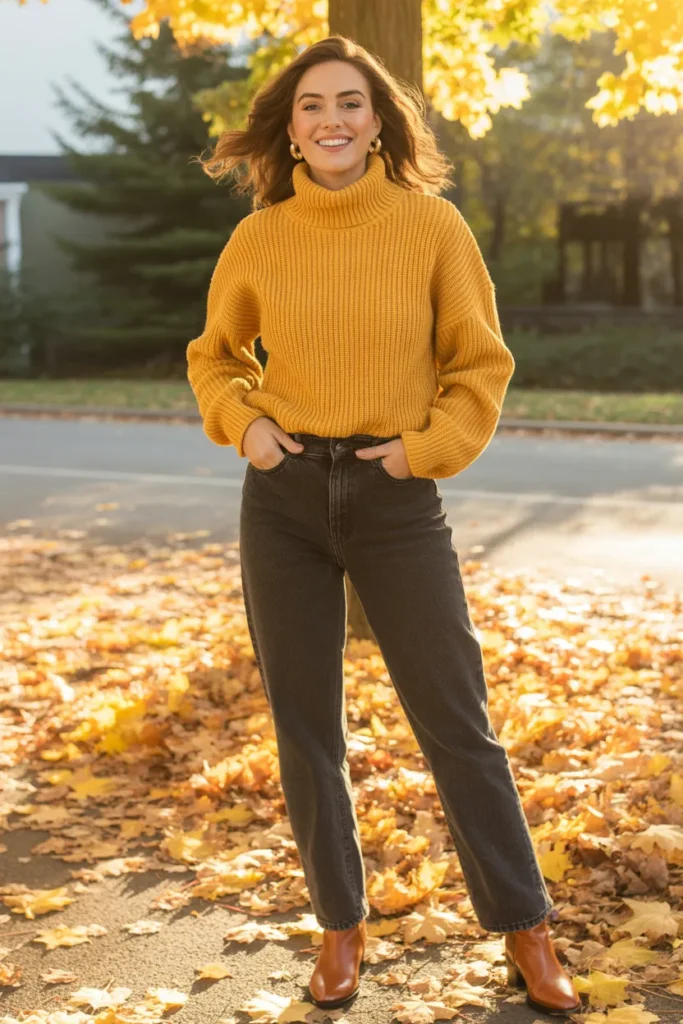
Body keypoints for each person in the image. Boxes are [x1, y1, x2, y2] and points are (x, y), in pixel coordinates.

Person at [186, 34, 581, 1018]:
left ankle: (525, 927)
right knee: (305, 726)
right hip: (281, 500)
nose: (331, 120)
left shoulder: (430, 226)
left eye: (351, 103)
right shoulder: (260, 237)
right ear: (289, 126)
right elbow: (213, 356)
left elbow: (478, 364)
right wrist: (249, 427)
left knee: (457, 721)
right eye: (313, 105)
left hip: (395, 495)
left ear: (378, 121)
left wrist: (424, 449)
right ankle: (338, 926)